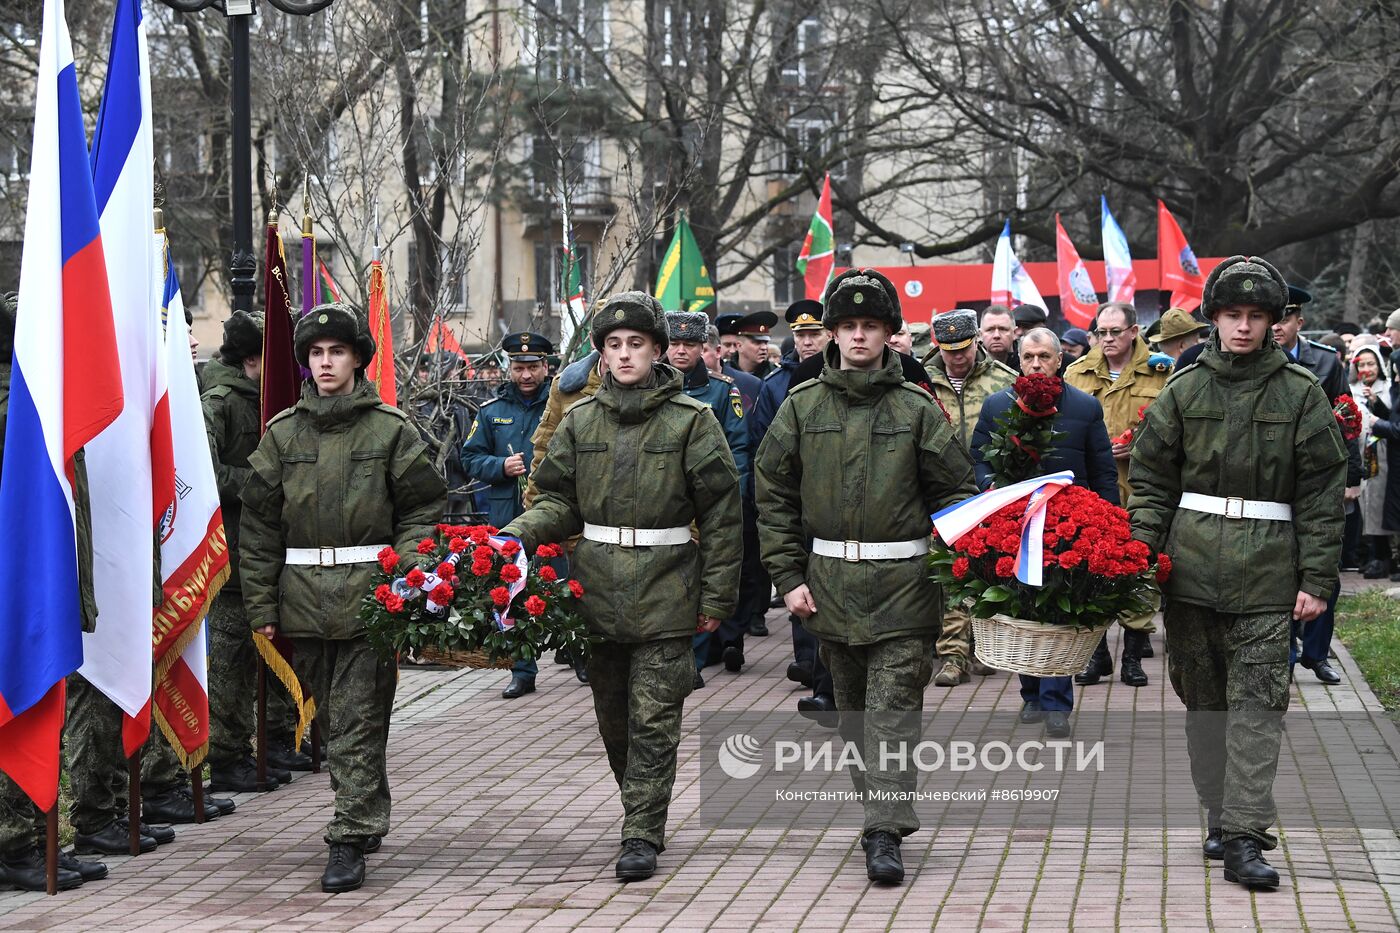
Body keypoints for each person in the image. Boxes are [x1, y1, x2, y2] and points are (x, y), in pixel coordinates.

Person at [501, 292, 742, 883]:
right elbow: (557, 498)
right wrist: (515, 537)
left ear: (659, 351)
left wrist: (716, 598)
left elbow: (721, 513)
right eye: (614, 345)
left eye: (637, 343)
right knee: (613, 719)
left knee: (654, 717)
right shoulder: (580, 421)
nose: (625, 354)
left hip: (667, 590)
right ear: (601, 354)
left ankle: (641, 830)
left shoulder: (692, 420)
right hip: (598, 593)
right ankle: (639, 806)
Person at [1128, 255, 1346, 889]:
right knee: (1204, 705)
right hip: (1190, 568)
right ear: (1214, 320)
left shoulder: (1301, 392)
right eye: (1232, 315)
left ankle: (1247, 835)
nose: (1245, 328)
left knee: (1258, 706)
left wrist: (1317, 580)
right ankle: (1219, 815)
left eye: (1257, 317)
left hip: (1269, 573)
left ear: (1276, 322)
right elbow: (1150, 480)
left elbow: (1323, 493)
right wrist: (1142, 556)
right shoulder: (1185, 390)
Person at [756, 269, 977, 885]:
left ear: (888, 334)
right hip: (829, 587)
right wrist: (786, 575)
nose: (858, 336)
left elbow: (957, 492)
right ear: (832, 333)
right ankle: (879, 811)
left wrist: (947, 569)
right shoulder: (803, 407)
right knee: (854, 714)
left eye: (870, 327)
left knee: (892, 710)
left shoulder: (916, 410)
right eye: (848, 326)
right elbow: (772, 494)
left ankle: (884, 828)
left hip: (905, 585)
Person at [240, 302, 446, 893]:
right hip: (301, 600)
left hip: (368, 599)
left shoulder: (390, 431)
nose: (325, 363)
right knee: (332, 722)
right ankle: (367, 807)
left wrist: (405, 572)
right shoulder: (282, 434)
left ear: (358, 358)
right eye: (315, 354)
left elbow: (423, 507)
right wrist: (262, 607)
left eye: (336, 352)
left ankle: (349, 834)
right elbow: (258, 528)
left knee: (358, 718)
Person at [0, 293, 108, 891]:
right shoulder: (20, 410)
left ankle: (31, 839)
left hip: (39, 586)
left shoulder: (41, 405)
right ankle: (16, 846)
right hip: (16, 589)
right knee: (22, 700)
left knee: (42, 701)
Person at [971, 328, 1118, 737]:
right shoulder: (997, 405)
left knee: (1058, 608)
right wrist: (989, 486)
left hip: (1069, 527)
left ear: (1059, 360)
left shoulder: (1085, 407)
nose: (1037, 364)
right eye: (1030, 356)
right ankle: (1031, 694)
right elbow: (979, 456)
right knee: (1022, 605)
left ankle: (1057, 703)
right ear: (1020, 360)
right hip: (1015, 524)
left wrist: (1111, 518)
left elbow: (1102, 468)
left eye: (1045, 357)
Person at [202, 310, 308, 796]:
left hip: (270, 549)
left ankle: (277, 739)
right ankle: (226, 756)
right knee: (231, 660)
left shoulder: (274, 402)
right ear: (251, 359)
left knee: (272, 649)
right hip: (231, 553)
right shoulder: (220, 403)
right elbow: (203, 476)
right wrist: (264, 484)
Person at [1064, 301, 1172, 688]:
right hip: (1092, 489)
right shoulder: (1077, 373)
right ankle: (1096, 655)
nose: (1107, 339)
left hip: (1142, 489)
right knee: (1089, 568)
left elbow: (1173, 430)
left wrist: (1139, 445)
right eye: (1101, 332)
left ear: (1133, 331)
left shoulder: (1160, 373)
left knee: (1141, 567)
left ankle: (1133, 654)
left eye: (1115, 332)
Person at [460, 331, 572, 699]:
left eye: (533, 367)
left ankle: (578, 652)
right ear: (510, 368)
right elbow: (469, 458)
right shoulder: (492, 412)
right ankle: (522, 670)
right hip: (509, 513)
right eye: (519, 367)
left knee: (568, 584)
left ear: (546, 367)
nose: (526, 375)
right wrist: (499, 466)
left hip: (555, 510)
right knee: (513, 590)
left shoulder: (563, 406)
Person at [750, 300, 836, 715]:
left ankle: (827, 674)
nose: (806, 342)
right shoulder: (776, 384)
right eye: (800, 336)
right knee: (800, 579)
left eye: (813, 334)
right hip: (797, 500)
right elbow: (766, 446)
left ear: (828, 336)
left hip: (836, 501)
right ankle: (809, 662)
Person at [921, 308, 1015, 685]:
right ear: (937, 347)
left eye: (964, 348)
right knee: (949, 574)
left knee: (987, 572)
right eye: (949, 350)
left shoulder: (1003, 381)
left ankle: (980, 646)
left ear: (976, 341)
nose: (958, 357)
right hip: (938, 493)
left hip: (988, 491)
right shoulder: (920, 382)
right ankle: (952, 655)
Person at [1272, 285, 1359, 684]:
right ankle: (1285, 652)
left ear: (1298, 322)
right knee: (1279, 571)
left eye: (1285, 318)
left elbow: (1347, 419)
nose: (1276, 327)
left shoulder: (1324, 363)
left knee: (1326, 572)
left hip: (1319, 481)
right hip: (1274, 483)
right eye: (1271, 317)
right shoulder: (1254, 361)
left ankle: (1318, 653)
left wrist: (1352, 478)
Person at [665, 311, 750, 686]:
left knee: (703, 580)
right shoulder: (655, 387)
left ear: (703, 348)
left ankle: (695, 661)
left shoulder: (721, 391)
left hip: (707, 503)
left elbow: (738, 448)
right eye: (674, 343)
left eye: (689, 344)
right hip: (666, 503)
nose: (680, 351)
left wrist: (735, 495)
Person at [1351, 340, 1393, 578]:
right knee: (1362, 503)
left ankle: (1383, 554)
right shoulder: (1351, 388)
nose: (1367, 369)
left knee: (1377, 501)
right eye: (1362, 364)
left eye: (1371, 363)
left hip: (1382, 451)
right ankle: (1366, 553)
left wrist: (1375, 403)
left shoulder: (1387, 388)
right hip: (1359, 451)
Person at [729, 311, 779, 379]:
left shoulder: (776, 374)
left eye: (766, 342)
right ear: (739, 346)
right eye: (757, 342)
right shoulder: (725, 371)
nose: (764, 347)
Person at [979, 304, 1017, 369]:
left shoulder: (1028, 362)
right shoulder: (970, 365)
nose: (996, 335)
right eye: (990, 329)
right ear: (980, 335)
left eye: (1003, 329)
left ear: (1014, 333)